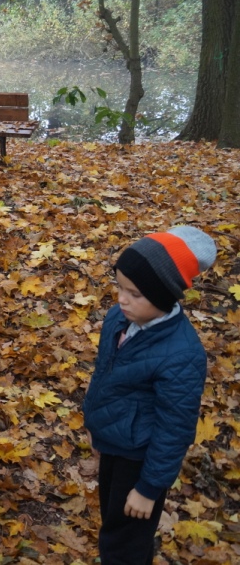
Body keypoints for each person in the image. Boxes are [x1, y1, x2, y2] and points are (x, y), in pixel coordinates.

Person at [83, 226, 216, 565]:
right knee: (114, 523)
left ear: (164, 296)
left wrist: (148, 489)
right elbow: (105, 375)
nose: (121, 299)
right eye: (119, 287)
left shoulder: (181, 355)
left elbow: (175, 429)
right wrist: (95, 425)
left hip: (141, 461)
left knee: (125, 543)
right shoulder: (119, 319)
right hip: (114, 444)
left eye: (135, 293)